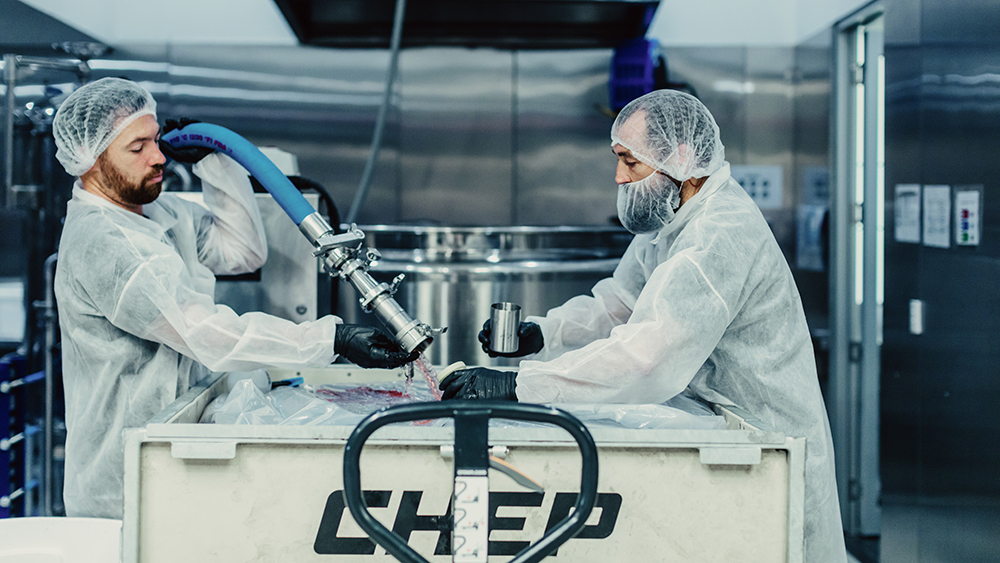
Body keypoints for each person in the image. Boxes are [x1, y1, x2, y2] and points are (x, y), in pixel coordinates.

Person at [440, 90, 848, 562]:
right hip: (716, 433)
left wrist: (520, 386)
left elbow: (647, 356)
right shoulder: (672, 220)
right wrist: (543, 333)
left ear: (680, 157)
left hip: (765, 444)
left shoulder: (717, 236)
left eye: (629, 162)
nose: (618, 176)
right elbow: (622, 303)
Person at [52, 77, 416, 519]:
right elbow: (205, 334)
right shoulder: (105, 244)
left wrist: (215, 162)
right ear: (90, 159)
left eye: (156, 140)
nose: (158, 156)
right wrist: (331, 340)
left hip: (172, 447)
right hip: (122, 483)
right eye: (138, 147)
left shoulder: (158, 214)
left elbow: (242, 251)